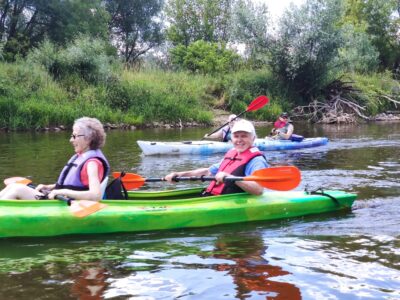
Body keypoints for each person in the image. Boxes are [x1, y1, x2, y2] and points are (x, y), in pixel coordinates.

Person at [0, 117, 110, 201]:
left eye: (74, 136)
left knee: (17, 189)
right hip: (59, 198)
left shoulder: (92, 163)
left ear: (88, 139)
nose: (71, 140)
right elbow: (75, 185)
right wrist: (50, 187)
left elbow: (96, 195)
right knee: (13, 186)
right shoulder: (82, 157)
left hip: (68, 203)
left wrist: (62, 191)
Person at [166, 119, 268, 196]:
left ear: (253, 138)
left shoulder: (257, 161)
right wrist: (179, 174)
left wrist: (230, 178)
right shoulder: (233, 154)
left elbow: (258, 190)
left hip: (232, 202)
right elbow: (208, 172)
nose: (239, 140)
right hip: (214, 196)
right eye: (236, 136)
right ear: (231, 138)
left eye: (244, 136)